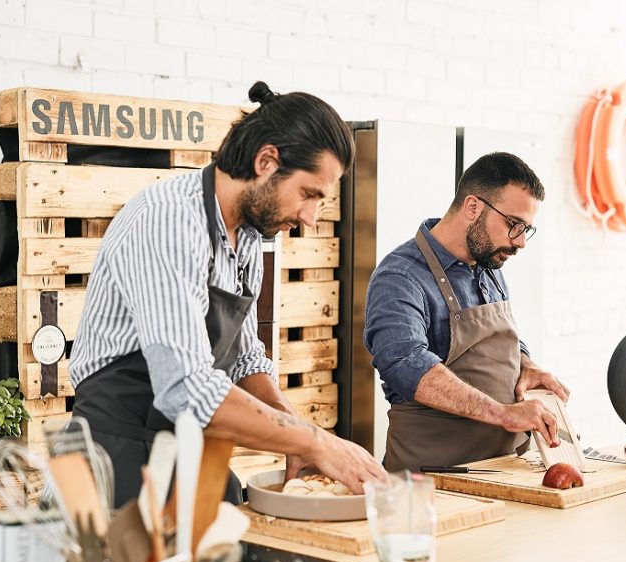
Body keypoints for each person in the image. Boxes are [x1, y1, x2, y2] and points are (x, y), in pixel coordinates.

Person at [69, 80, 385, 509]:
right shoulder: (168, 222)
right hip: (111, 465)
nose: (310, 218)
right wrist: (316, 443)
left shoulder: (248, 237)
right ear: (267, 162)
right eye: (309, 194)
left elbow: (243, 360)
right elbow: (186, 388)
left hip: (183, 457)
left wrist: (293, 434)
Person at [363, 152, 570, 472]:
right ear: (473, 207)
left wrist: (526, 365)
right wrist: (503, 413)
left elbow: (505, 339)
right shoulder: (400, 276)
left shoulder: (490, 264)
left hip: (503, 467)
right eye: (514, 224)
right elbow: (405, 364)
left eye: (526, 229)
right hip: (432, 478)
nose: (520, 243)